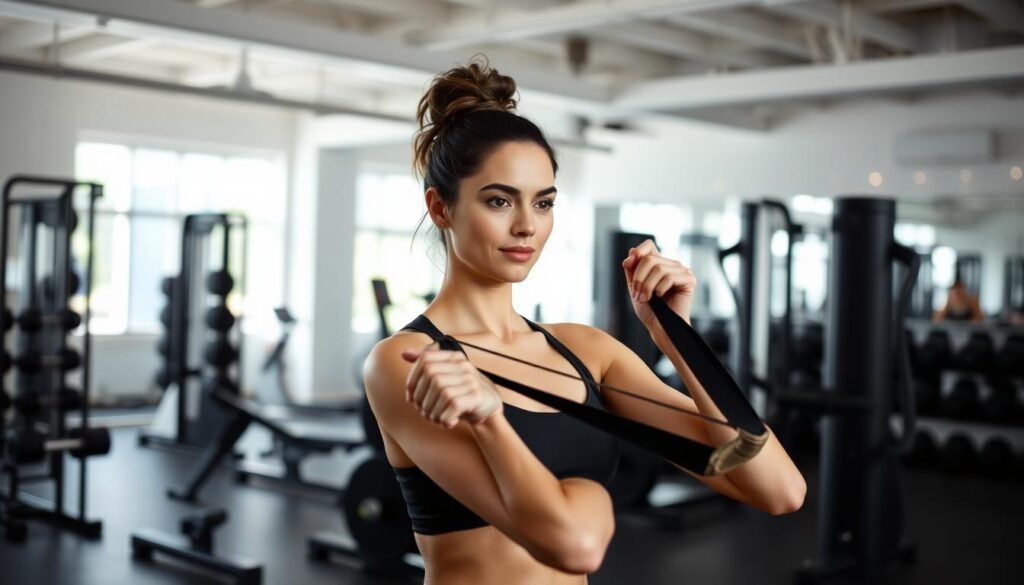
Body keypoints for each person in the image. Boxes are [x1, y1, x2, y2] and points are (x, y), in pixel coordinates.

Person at [363, 59, 806, 585]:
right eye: (499, 200)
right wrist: (490, 420)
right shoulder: (409, 361)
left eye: (543, 202)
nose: (527, 225)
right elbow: (567, 543)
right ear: (440, 208)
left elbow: (779, 489)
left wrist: (675, 336)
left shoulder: (587, 352)